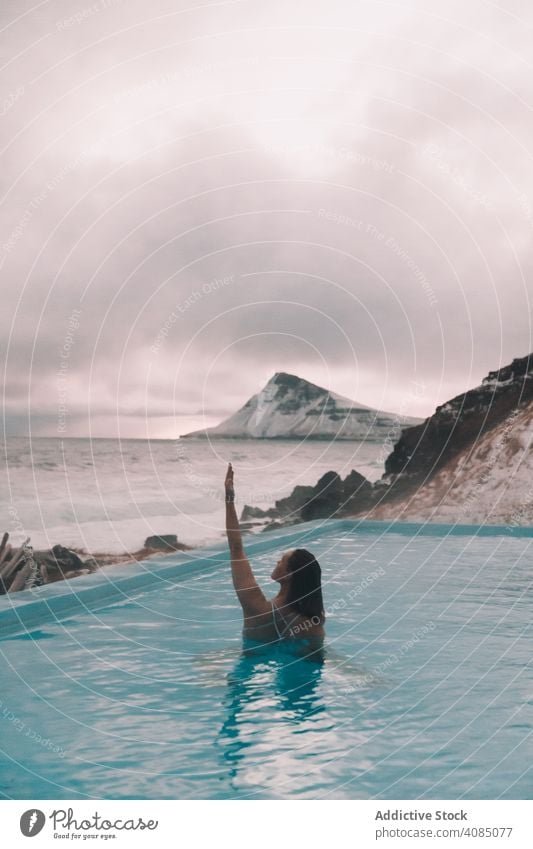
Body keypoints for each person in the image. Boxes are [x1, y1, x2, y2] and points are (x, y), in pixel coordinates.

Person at [224, 462, 325, 644]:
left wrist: (229, 500)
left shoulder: (256, 608)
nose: (277, 562)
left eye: (281, 560)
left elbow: (236, 549)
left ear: (289, 574)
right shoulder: (313, 622)